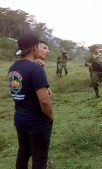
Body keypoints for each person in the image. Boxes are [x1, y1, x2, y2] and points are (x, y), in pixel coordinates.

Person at [8, 33, 54, 169]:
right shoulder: (34, 69)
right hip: (37, 122)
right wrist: (50, 116)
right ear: (34, 47)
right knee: (39, 158)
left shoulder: (13, 68)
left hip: (20, 119)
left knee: (23, 153)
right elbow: (45, 100)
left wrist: (41, 70)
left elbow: (22, 92)